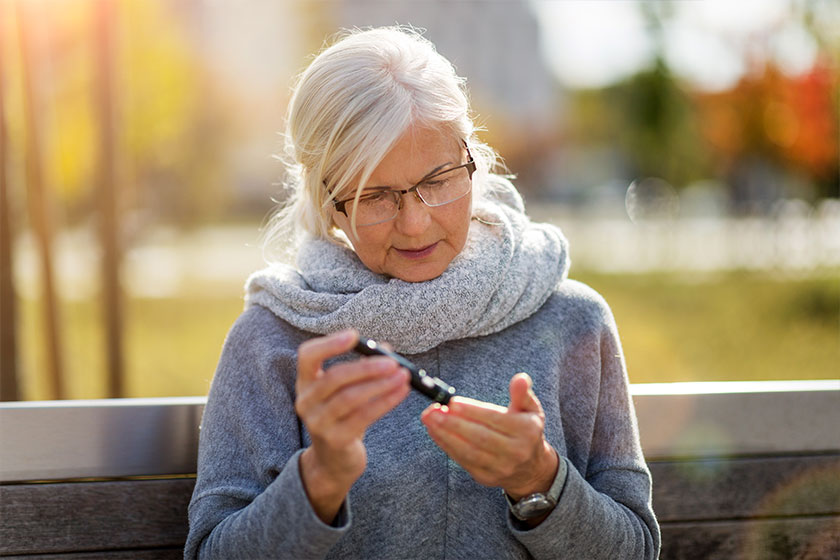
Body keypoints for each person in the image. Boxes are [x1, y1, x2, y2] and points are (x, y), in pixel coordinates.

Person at [185, 26, 660, 560]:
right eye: (374, 196)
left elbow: (636, 550)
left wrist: (540, 480)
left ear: (472, 160)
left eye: (437, 181)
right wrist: (318, 481)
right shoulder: (271, 342)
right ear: (327, 202)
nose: (414, 225)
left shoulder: (575, 322)